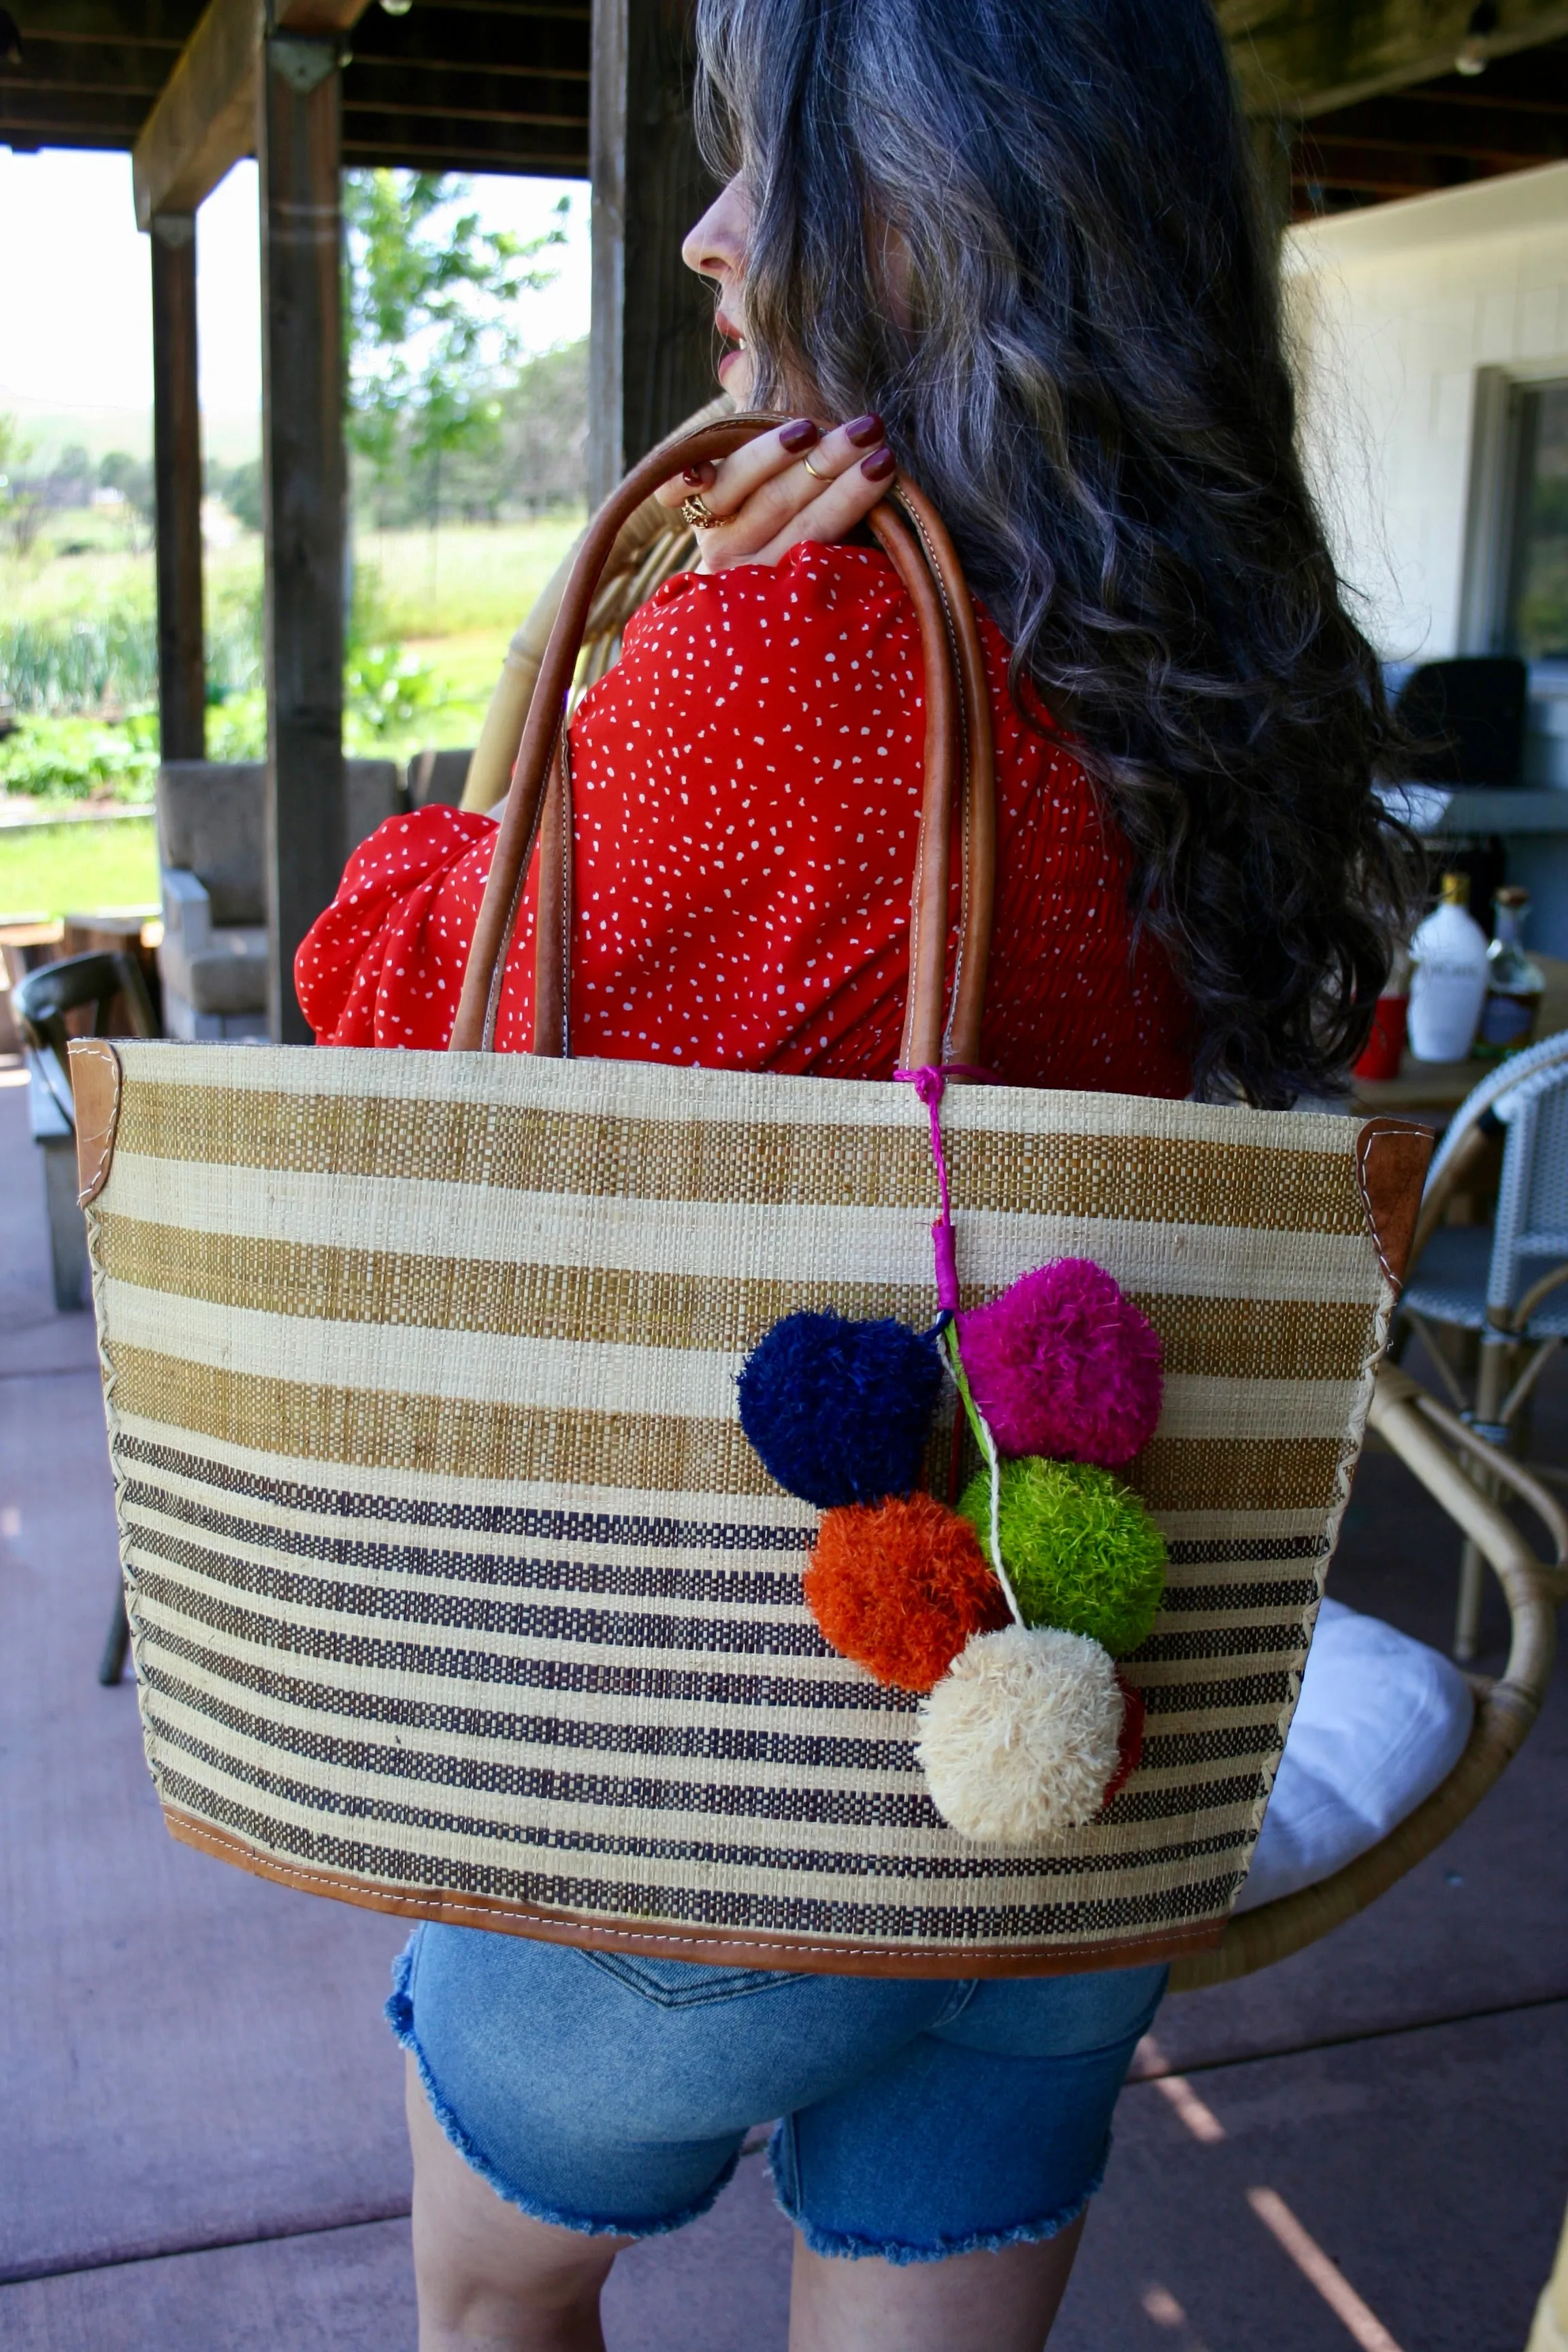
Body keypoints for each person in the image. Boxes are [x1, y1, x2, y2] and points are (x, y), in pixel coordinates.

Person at [297, 3, 1414, 2343]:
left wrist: (569, 657)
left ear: (937, 203)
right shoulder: (1249, 674)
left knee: (504, 2308)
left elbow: (400, 993)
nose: (715, 236)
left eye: (766, 166)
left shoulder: (788, 651)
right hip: (1080, 1775)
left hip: (697, 1785)